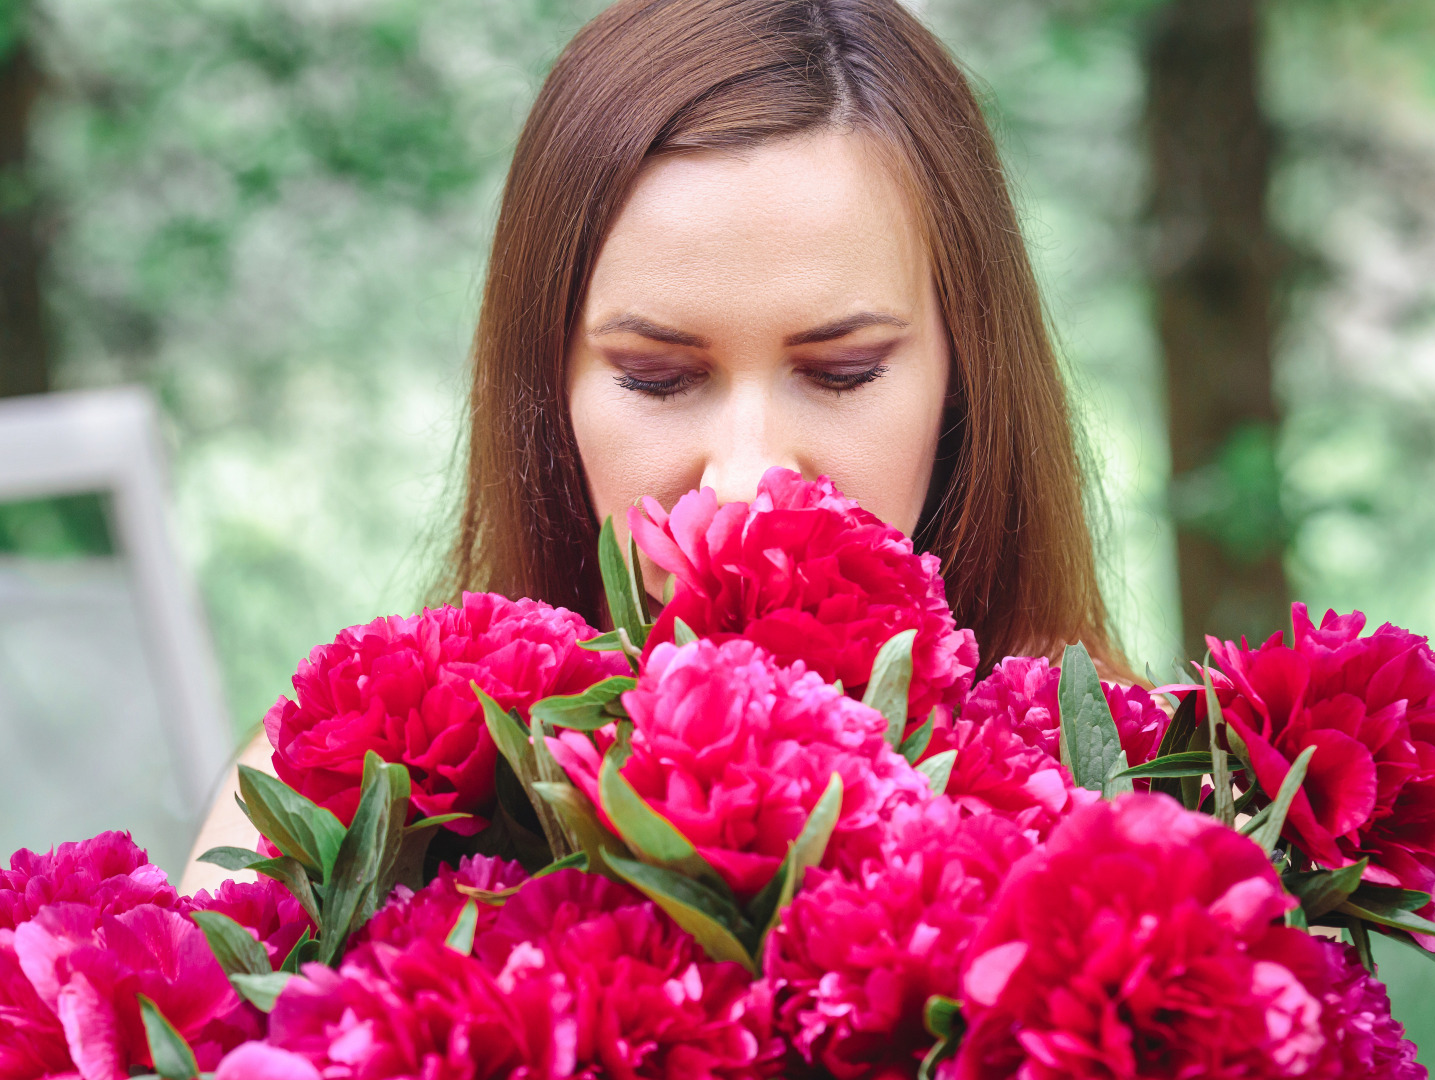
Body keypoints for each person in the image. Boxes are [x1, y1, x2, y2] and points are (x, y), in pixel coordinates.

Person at [181, 0, 1128, 890]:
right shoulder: (328, 810)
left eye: (842, 370)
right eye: (657, 378)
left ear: (966, 374)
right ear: (547, 389)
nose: (750, 480)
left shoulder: (1143, 804)